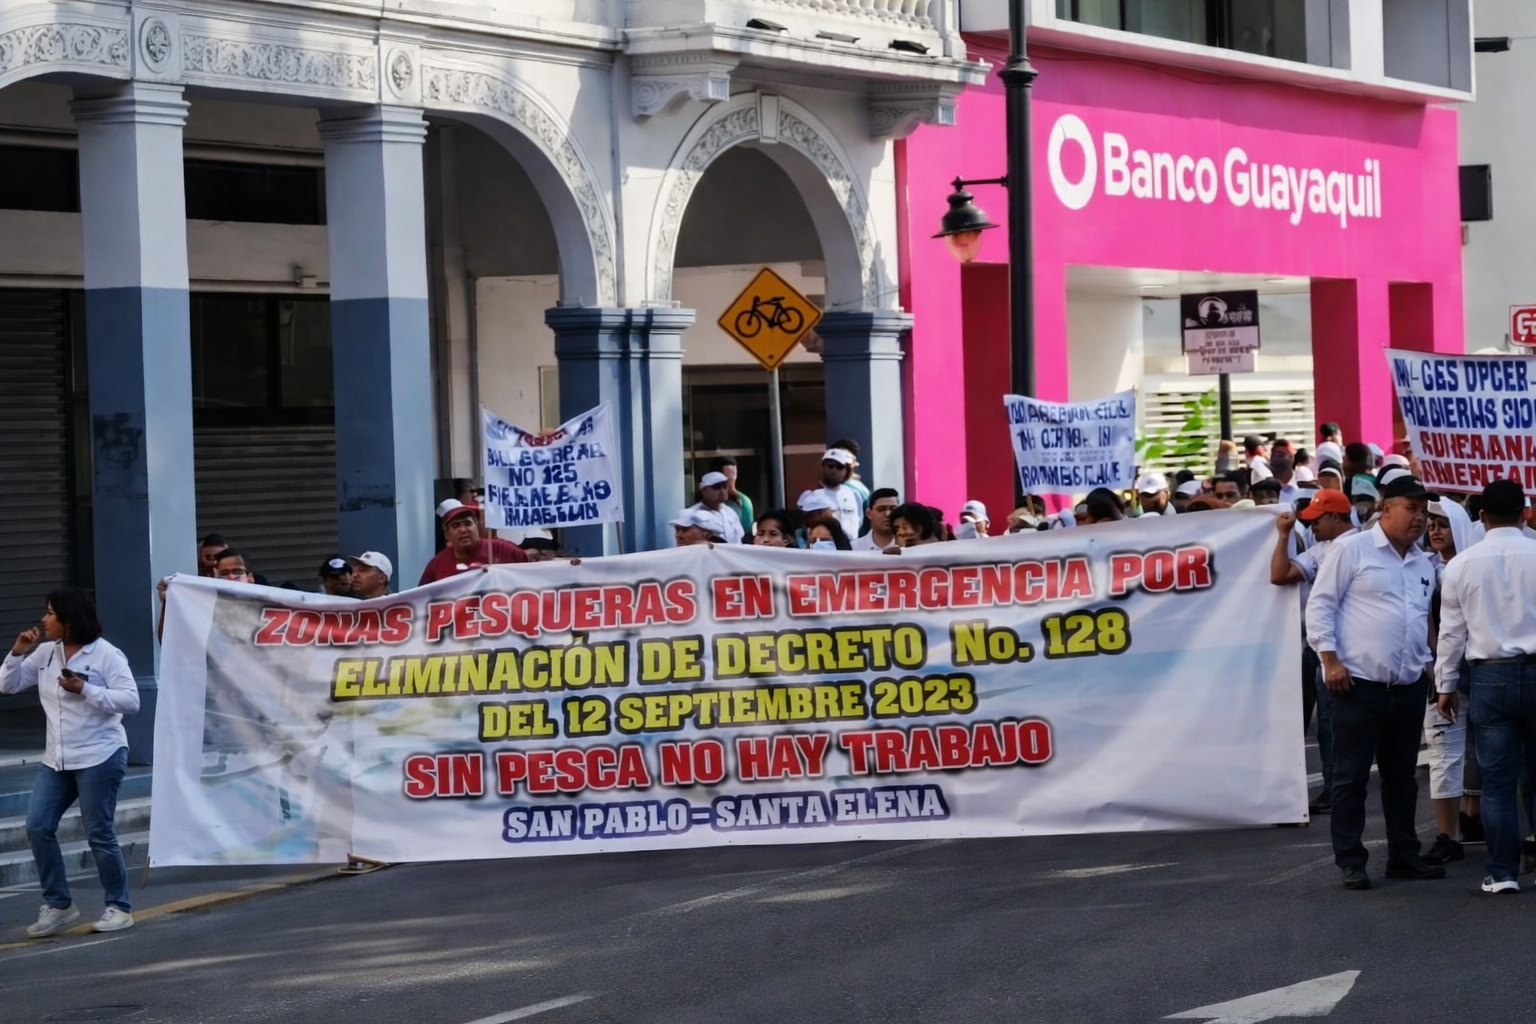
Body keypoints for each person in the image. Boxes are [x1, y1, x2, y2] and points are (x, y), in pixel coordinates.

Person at [1306, 473, 1443, 890]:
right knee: (1351, 777)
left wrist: (1429, 664)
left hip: (1407, 686)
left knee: (1401, 777)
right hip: (1357, 685)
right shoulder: (1353, 549)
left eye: (1423, 511)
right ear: (1386, 509)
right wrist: (1330, 660)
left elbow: (1420, 617)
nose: (1419, 518)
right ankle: (1351, 860)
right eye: (1411, 509)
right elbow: (1320, 606)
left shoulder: (1422, 562)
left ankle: (1404, 855)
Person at [2, 588, 140, 936]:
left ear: (69, 619)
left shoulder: (107, 654)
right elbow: (8, 686)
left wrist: (86, 689)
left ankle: (119, 907)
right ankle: (60, 905)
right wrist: (17, 653)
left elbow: (131, 701)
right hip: (57, 758)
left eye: (50, 613)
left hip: (100, 755)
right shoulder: (45, 653)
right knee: (37, 826)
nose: (44, 619)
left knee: (98, 832)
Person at [1435, 479, 1536, 894]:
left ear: (1481, 517)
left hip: (1489, 677)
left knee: (1496, 783)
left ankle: (1502, 872)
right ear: (1525, 513)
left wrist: (1445, 684)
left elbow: (1450, 633)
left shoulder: (1461, 565)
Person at [1272, 490, 1358, 815]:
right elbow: (1279, 575)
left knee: (1345, 724)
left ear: (1336, 516)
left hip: (1355, 650)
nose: (1312, 527)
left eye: (1316, 520)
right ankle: (1336, 787)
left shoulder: (1364, 545)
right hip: (1322, 649)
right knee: (1327, 724)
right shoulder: (1320, 550)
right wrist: (1283, 536)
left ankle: (1345, 788)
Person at [1421, 497, 1478, 866]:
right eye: (1430, 524)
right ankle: (1447, 835)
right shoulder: (1422, 568)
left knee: (1487, 754)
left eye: (1442, 524)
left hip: (1482, 672)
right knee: (1443, 755)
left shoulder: (1475, 565)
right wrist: (1432, 663)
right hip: (1440, 675)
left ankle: (1476, 818)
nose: (1435, 530)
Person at [419, 501, 528, 585]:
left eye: (468, 523)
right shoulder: (436, 565)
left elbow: (530, 576)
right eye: (456, 526)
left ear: (477, 527)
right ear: (447, 534)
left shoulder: (503, 550)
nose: (463, 530)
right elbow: (420, 600)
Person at [796, 448, 863, 539]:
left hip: (851, 545)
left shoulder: (852, 493)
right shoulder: (811, 495)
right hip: (825, 545)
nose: (834, 470)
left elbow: (859, 521)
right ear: (822, 467)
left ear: (846, 470)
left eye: (839, 467)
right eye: (830, 466)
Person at [687, 471, 744, 544]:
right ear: (703, 490)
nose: (722, 491)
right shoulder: (692, 514)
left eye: (725, 486)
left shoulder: (732, 513)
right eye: (717, 487)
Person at [710, 456, 755, 539]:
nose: (731, 485)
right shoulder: (705, 503)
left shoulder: (743, 501)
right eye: (727, 480)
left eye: (734, 478)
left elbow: (748, 533)